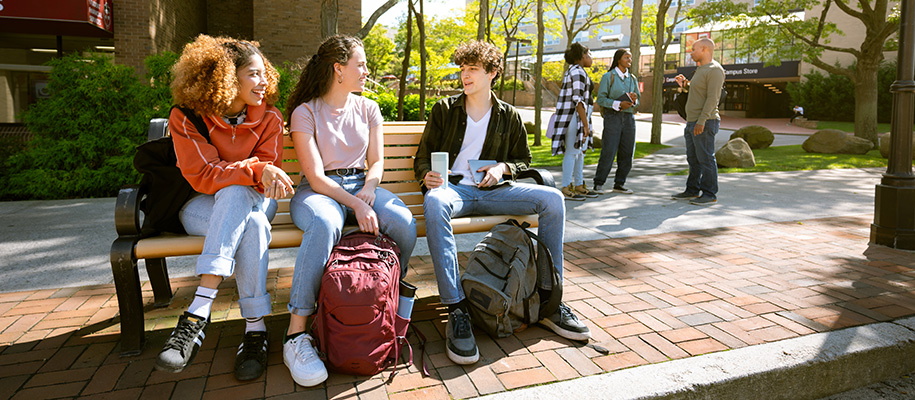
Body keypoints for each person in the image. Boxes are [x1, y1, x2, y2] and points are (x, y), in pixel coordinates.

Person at [414, 40, 591, 365]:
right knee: (435, 203)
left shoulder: (508, 115)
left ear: (493, 72)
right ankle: (456, 309)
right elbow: (422, 156)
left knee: (552, 198)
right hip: (456, 192)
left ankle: (549, 301)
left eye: (473, 69)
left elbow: (523, 159)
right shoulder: (444, 109)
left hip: (495, 191)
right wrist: (427, 176)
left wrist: (503, 168)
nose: (465, 76)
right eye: (463, 69)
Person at [155, 35, 293, 382]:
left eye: (265, 73)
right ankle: (255, 329)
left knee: (237, 194)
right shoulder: (187, 117)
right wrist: (255, 169)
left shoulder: (271, 119)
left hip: (258, 200)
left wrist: (254, 173)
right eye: (253, 74)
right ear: (228, 78)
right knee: (253, 224)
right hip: (200, 206)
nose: (264, 82)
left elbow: (265, 184)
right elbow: (203, 176)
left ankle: (199, 310)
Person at [282, 35, 417, 387]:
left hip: (363, 186)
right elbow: (314, 175)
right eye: (361, 64)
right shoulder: (306, 111)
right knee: (326, 223)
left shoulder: (369, 108)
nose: (367, 71)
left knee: (402, 222)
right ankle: (296, 333)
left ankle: (384, 298)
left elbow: (376, 161)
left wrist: (369, 189)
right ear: (339, 69)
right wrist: (355, 203)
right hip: (319, 192)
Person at [672, 37, 725, 206]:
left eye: (693, 49)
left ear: (704, 49)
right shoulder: (700, 70)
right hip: (692, 121)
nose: (691, 52)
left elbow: (712, 99)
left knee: (706, 158)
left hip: (705, 121)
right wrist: (685, 85)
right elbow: (698, 93)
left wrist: (701, 121)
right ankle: (692, 190)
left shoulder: (715, 70)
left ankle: (710, 193)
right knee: (693, 159)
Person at [550, 43, 599, 201]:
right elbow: (578, 100)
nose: (591, 57)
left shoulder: (578, 71)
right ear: (582, 56)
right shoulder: (577, 72)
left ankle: (578, 185)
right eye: (589, 53)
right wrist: (585, 124)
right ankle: (565, 187)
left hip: (580, 116)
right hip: (574, 117)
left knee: (579, 152)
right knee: (572, 152)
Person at [594, 48, 641, 195]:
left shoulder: (632, 79)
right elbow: (600, 99)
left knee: (627, 153)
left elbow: (638, 100)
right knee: (609, 151)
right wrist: (618, 104)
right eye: (626, 57)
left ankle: (620, 184)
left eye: (630, 58)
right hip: (612, 117)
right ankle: (598, 183)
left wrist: (633, 100)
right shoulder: (609, 77)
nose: (629, 60)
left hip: (629, 118)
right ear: (619, 59)